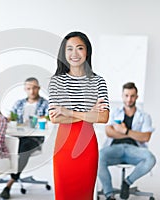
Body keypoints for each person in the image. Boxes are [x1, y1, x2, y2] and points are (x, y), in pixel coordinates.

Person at [48, 31, 109, 199]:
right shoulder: (57, 82)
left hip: (87, 146)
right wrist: (88, 113)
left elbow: (103, 117)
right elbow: (55, 118)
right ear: (64, 53)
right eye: (69, 49)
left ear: (87, 51)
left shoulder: (98, 82)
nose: (74, 53)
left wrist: (68, 111)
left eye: (79, 48)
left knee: (85, 194)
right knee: (64, 194)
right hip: (64, 147)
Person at [98, 82, 156, 200]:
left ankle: (127, 182)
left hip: (134, 150)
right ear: (122, 96)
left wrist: (124, 131)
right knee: (97, 157)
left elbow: (145, 137)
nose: (129, 99)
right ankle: (109, 194)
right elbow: (109, 132)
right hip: (114, 149)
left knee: (151, 158)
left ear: (137, 97)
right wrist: (133, 135)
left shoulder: (144, 116)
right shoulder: (115, 112)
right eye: (126, 95)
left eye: (132, 96)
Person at [0, 77, 49, 199]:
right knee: (4, 144)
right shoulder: (19, 104)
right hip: (18, 136)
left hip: (35, 139)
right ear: (25, 89)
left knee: (23, 148)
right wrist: (5, 119)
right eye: (28, 88)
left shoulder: (45, 104)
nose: (31, 91)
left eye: (34, 88)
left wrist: (39, 118)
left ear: (38, 88)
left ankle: (9, 184)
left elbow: (50, 119)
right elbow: (11, 117)